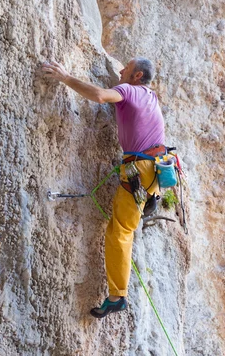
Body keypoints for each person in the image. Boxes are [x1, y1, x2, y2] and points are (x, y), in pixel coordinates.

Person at [40, 58, 165, 318]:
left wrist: (65, 77)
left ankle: (117, 296)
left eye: (126, 69)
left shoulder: (129, 90)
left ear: (137, 75)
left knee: (119, 231)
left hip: (140, 169)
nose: (120, 71)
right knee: (123, 224)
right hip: (154, 169)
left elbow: (99, 96)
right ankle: (150, 198)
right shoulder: (150, 96)